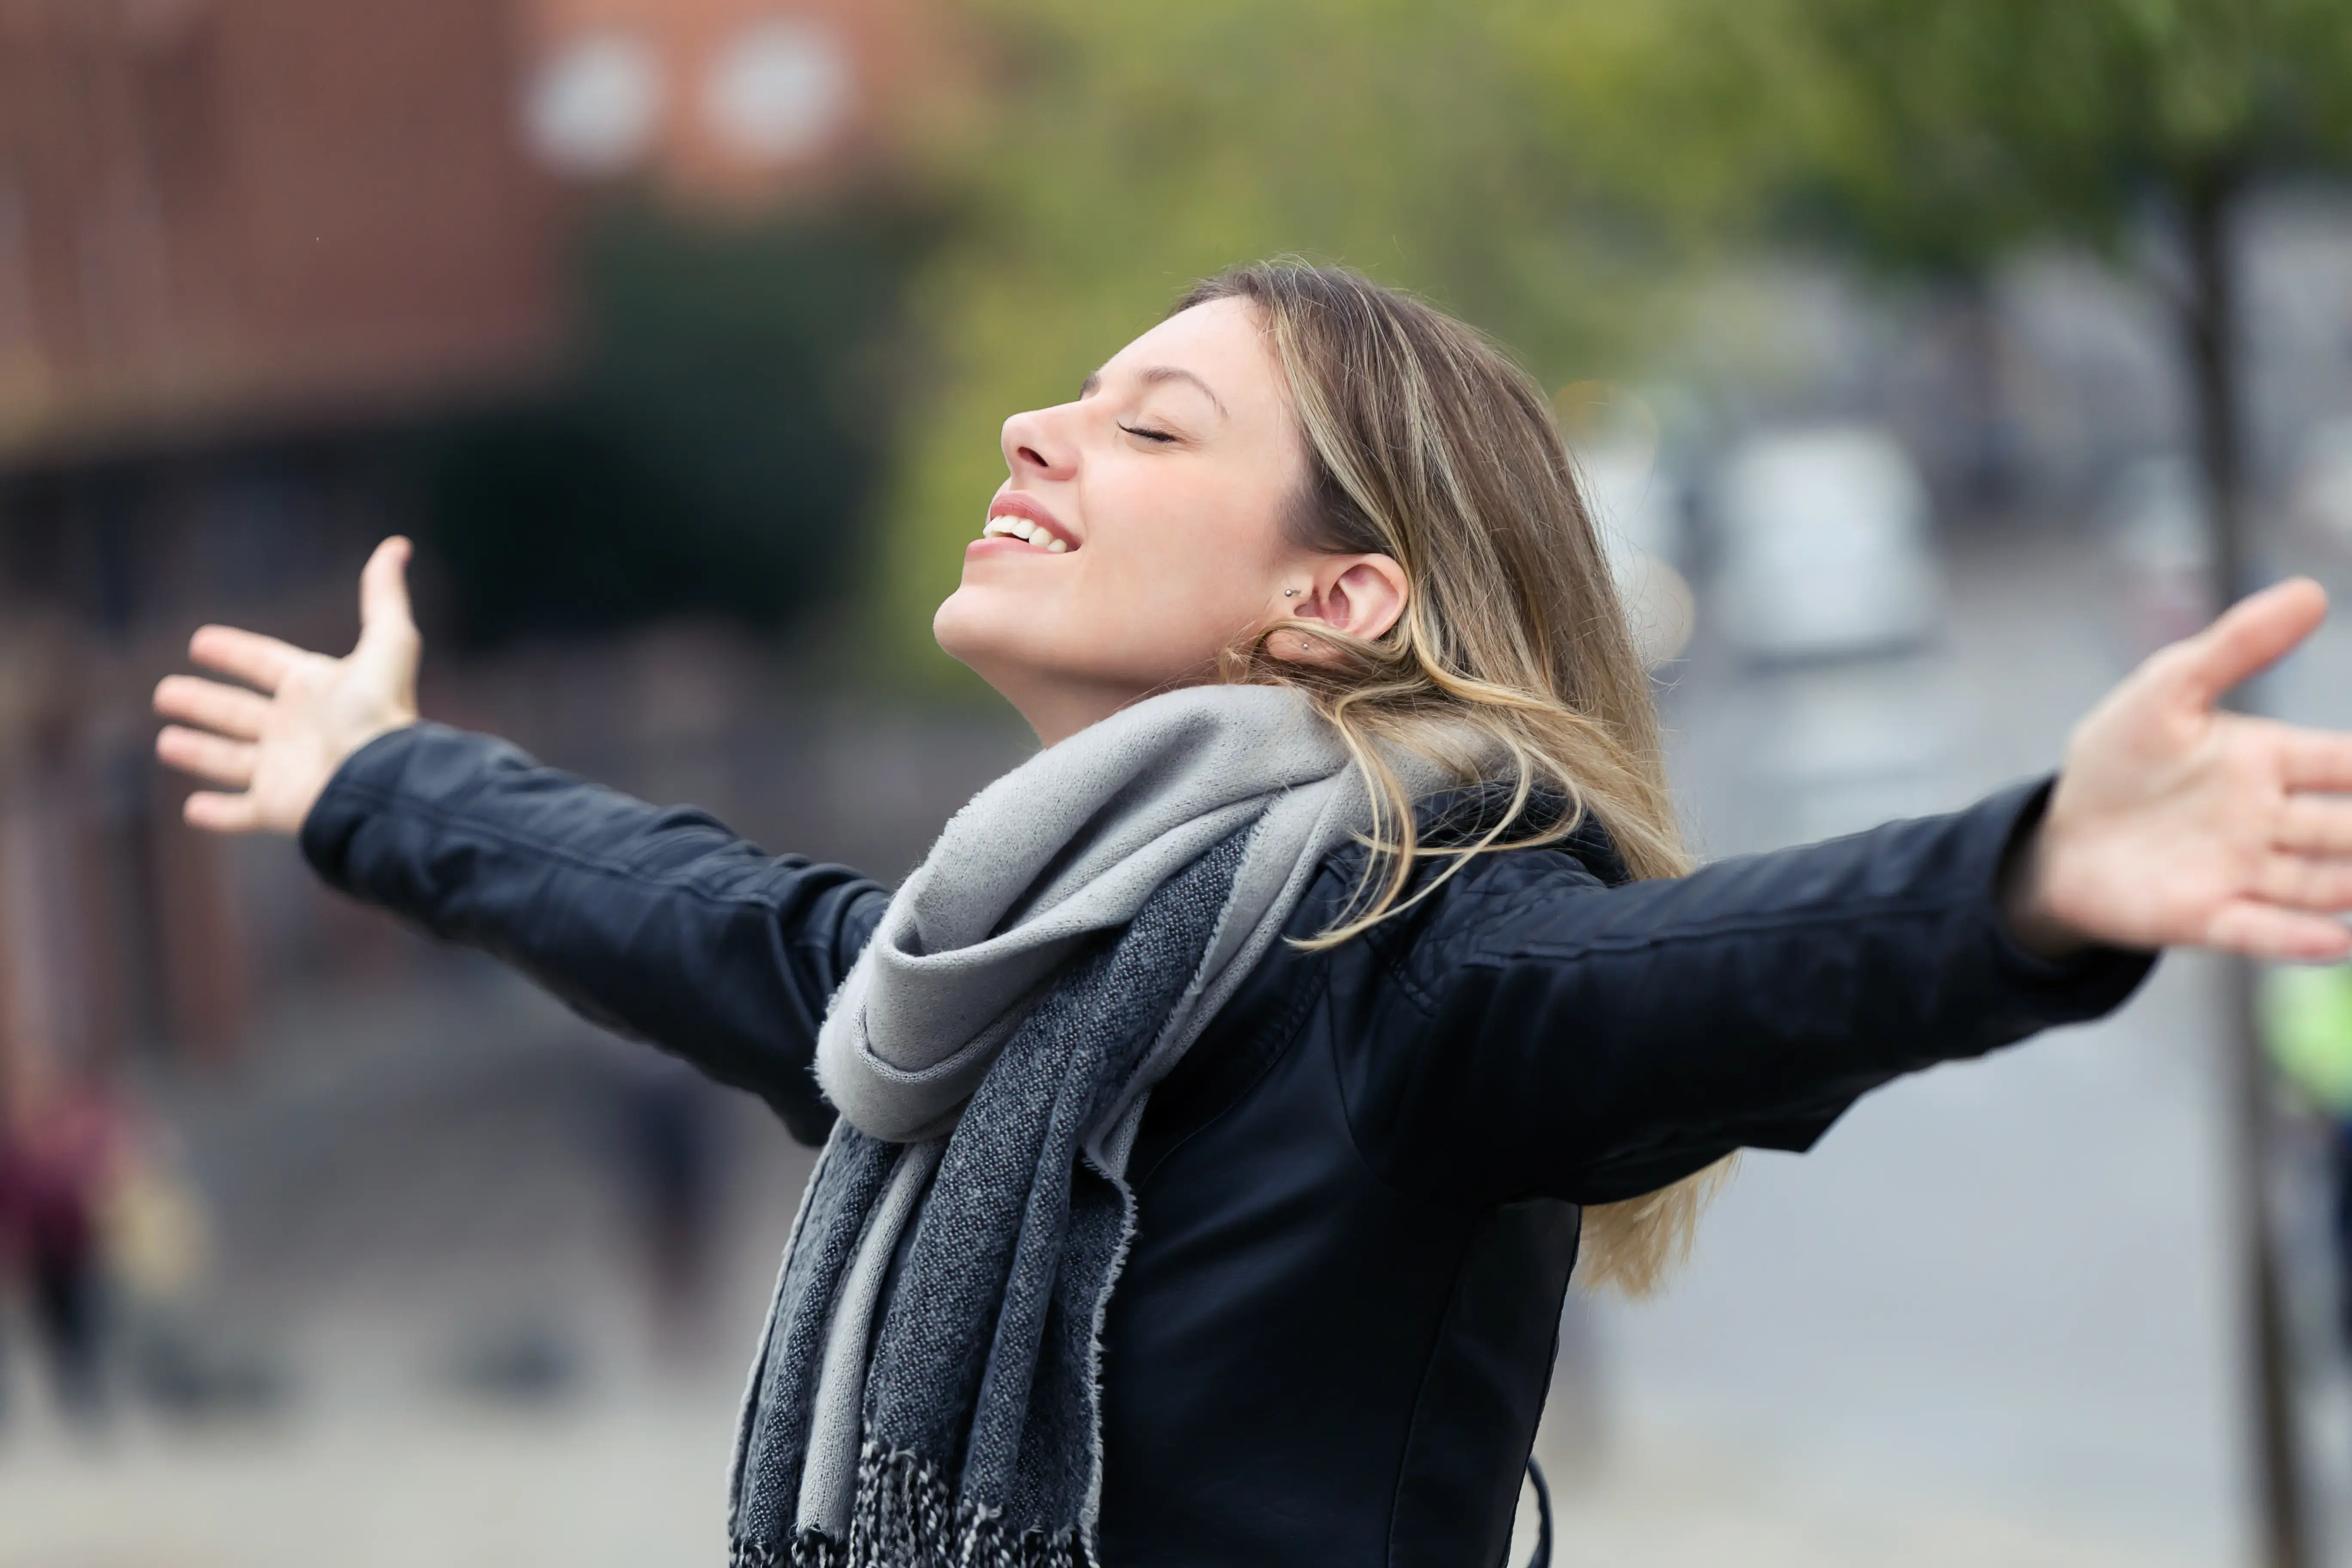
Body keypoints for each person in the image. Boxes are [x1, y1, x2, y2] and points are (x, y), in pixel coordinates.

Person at [151, 263, 2352, 1568]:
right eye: (1071, 400)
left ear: (1339, 599)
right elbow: (680, 909)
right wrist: (375, 783)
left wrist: (2028, 876)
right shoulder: (981, 978)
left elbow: (1715, 969)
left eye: (1146, 424)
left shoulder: (1421, 971)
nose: (1036, 428)